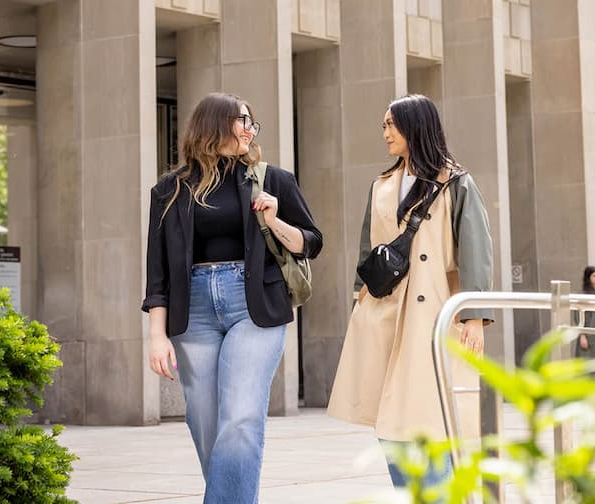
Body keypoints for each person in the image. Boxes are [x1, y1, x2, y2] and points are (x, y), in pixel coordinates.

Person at [141, 92, 322, 504]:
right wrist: (156, 334)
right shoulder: (169, 190)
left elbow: (310, 242)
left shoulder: (272, 179)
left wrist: (275, 220)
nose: (249, 129)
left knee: (240, 418)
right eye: (243, 120)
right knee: (204, 421)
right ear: (215, 124)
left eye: (251, 122)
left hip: (253, 305)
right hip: (195, 309)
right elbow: (158, 272)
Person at [327, 94, 494, 489]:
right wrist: (360, 303)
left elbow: (476, 249)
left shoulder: (457, 183)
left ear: (415, 126)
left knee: (429, 422)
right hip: (383, 314)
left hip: (434, 315)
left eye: (391, 124)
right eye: (384, 124)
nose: (385, 132)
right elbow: (368, 251)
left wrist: (474, 317)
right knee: (387, 421)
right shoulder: (382, 185)